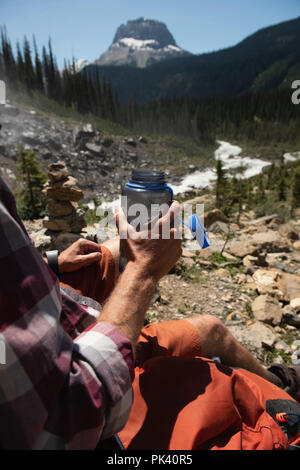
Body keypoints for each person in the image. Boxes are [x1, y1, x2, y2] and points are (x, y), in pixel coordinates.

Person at [1, 175, 300, 450]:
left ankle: (278, 381)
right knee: (227, 384)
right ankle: (282, 398)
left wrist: (49, 264)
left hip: (62, 318)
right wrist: (142, 274)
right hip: (82, 398)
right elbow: (71, 409)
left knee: (112, 251)